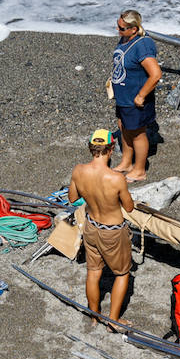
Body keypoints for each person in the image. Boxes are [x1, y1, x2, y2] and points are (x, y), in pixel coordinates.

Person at [68, 129, 135, 327]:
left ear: (91, 148)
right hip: (112, 230)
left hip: (91, 226)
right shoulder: (116, 178)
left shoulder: (78, 170)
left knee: (94, 271)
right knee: (122, 274)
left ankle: (94, 315)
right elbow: (129, 207)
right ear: (112, 148)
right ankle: (113, 320)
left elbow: (72, 198)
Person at [108, 9, 162, 182]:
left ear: (134, 29)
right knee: (123, 127)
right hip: (124, 97)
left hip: (135, 99)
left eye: (122, 28)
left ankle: (139, 169)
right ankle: (126, 162)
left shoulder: (142, 45)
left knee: (137, 133)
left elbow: (156, 74)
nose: (119, 30)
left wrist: (141, 95)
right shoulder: (125, 39)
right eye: (117, 26)